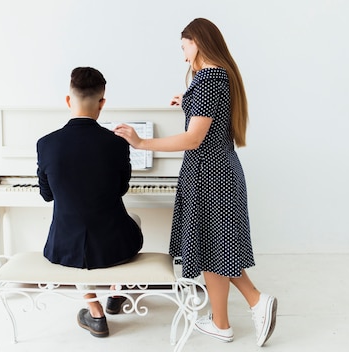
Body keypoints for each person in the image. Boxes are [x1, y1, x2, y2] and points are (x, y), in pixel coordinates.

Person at [114, 18, 277, 346]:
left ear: (197, 42)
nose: (184, 55)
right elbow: (208, 120)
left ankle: (258, 301)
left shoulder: (206, 80)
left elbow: (192, 139)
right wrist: (187, 101)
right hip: (218, 170)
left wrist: (142, 144)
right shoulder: (219, 77)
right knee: (212, 249)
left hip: (209, 175)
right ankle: (221, 323)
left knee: (218, 248)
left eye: (185, 47)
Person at [37, 67, 143, 338]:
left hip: (66, 246)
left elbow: (47, 195)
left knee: (73, 240)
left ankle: (94, 311)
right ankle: (117, 291)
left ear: (68, 100)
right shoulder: (117, 144)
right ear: (102, 103)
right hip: (114, 244)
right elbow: (121, 189)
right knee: (134, 221)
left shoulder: (46, 144)